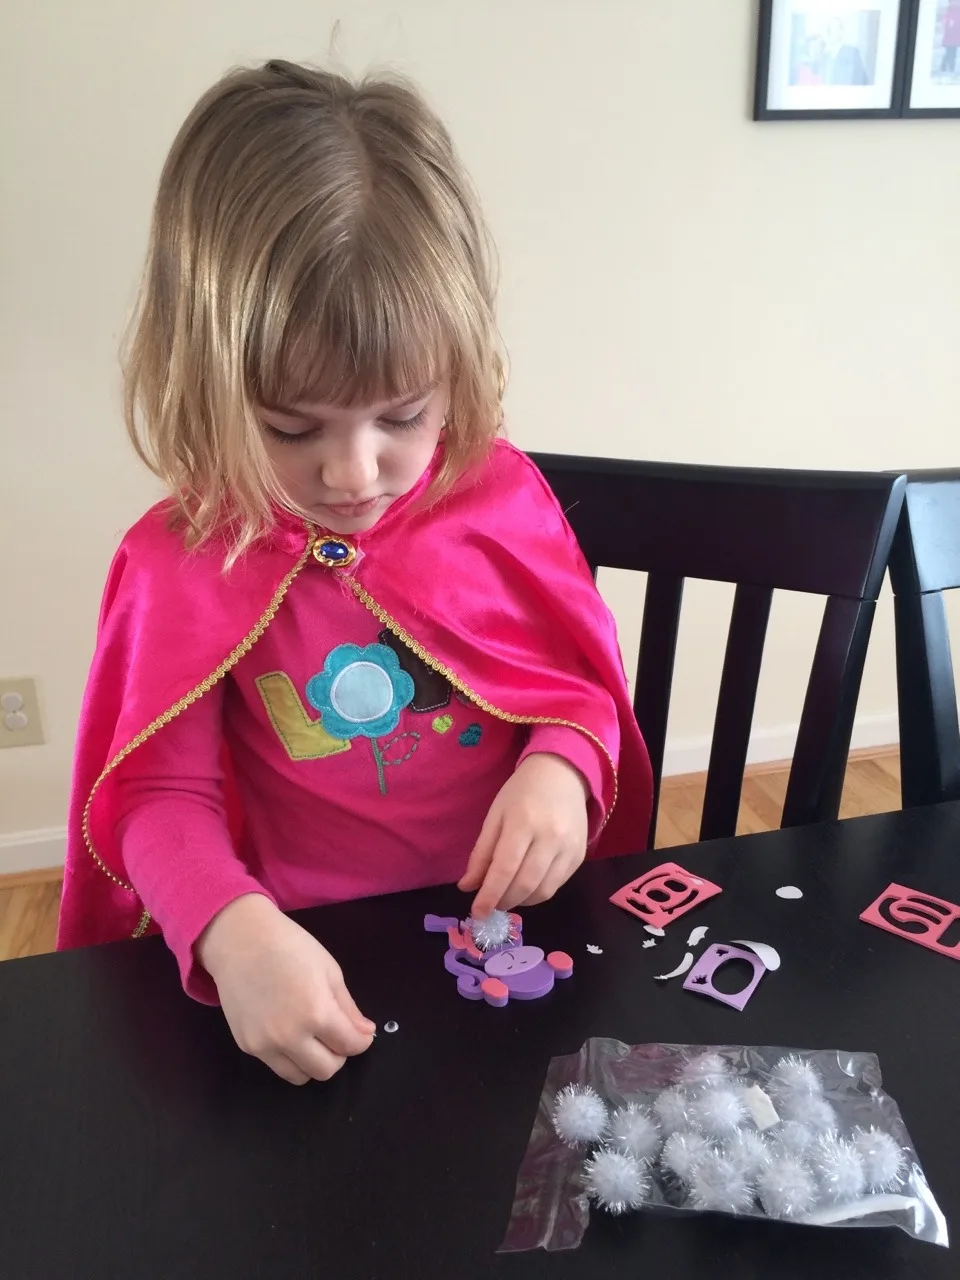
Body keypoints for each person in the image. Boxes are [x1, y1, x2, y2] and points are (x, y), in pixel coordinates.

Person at [58, 61, 653, 1086]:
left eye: (404, 415)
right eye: (291, 428)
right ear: (204, 383)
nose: (352, 472)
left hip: (513, 952)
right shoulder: (187, 557)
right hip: (302, 963)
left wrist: (561, 762)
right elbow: (155, 793)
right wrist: (230, 929)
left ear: (460, 373)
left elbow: (579, 690)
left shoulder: (499, 499)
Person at [822, 17, 870, 86]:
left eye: (835, 28)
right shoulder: (824, 56)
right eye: (829, 28)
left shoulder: (851, 53)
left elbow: (861, 80)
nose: (832, 31)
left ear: (841, 31)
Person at [942, 2, 960, 77]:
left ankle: (951, 68)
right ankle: (944, 67)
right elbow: (944, 22)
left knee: (953, 53)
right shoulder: (949, 11)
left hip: (955, 37)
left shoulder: (958, 11)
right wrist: (949, 23)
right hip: (949, 37)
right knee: (948, 53)